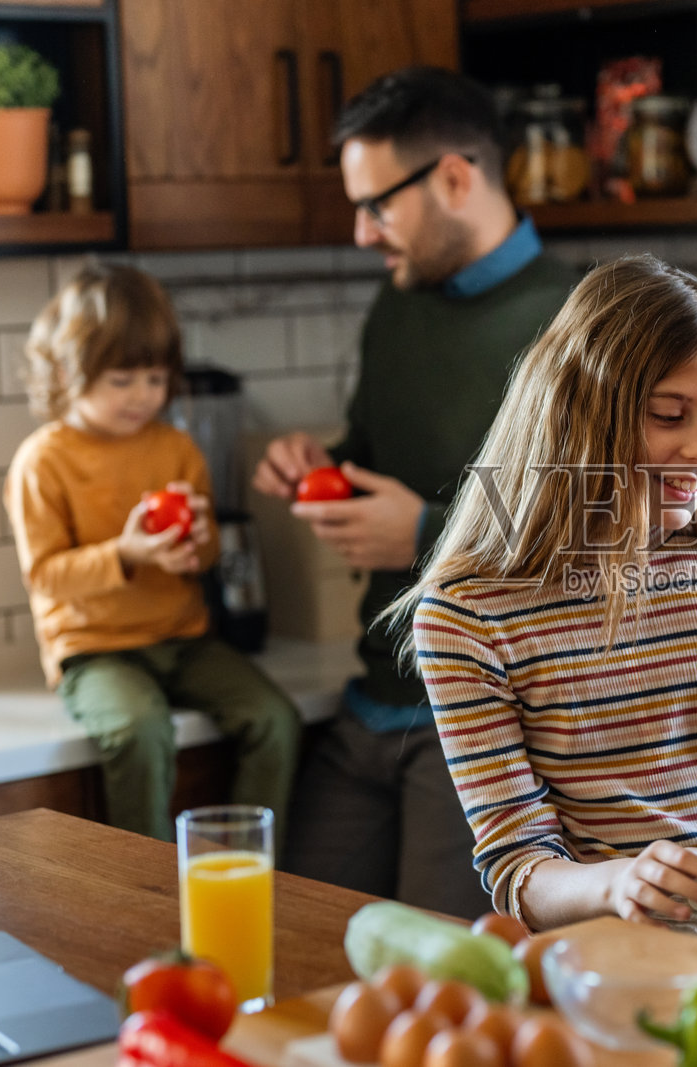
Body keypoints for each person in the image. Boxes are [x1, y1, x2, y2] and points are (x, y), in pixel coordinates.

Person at [400, 255, 697, 961]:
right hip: (598, 951)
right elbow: (518, 866)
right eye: (670, 415)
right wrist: (619, 882)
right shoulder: (469, 611)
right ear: (582, 411)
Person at [253, 66, 579, 918]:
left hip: (483, 725)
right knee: (294, 955)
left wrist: (428, 534)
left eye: (377, 206)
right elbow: (376, 454)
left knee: (442, 1003)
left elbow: (602, 534)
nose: (363, 234)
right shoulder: (396, 307)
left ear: (454, 178)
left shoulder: (581, 322)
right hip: (371, 706)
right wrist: (314, 465)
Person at [6, 264, 302, 844]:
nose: (142, 395)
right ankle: (149, 888)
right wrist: (126, 552)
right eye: (122, 380)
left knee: (275, 720)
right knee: (140, 730)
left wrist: (195, 551)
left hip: (185, 640)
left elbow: (211, 540)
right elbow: (45, 576)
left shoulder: (176, 448)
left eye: (154, 378)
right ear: (69, 371)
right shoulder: (43, 461)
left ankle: (242, 867)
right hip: (96, 652)